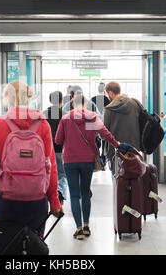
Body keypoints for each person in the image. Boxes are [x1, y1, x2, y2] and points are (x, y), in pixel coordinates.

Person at [0, 80, 63, 236]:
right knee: (34, 244)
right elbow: (51, 165)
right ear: (29, 98)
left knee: (7, 244)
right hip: (37, 198)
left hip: (7, 198)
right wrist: (54, 201)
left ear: (8, 98)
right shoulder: (43, 124)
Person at [55, 90, 130, 240]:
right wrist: (117, 144)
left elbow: (58, 140)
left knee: (74, 195)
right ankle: (87, 226)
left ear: (73, 104)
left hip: (70, 160)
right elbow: (105, 133)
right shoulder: (91, 117)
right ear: (85, 104)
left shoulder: (65, 119)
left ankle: (78, 229)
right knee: (85, 193)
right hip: (87, 160)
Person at [103, 81, 142, 173]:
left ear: (110, 93)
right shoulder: (135, 103)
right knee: (134, 176)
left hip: (115, 150)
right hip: (134, 148)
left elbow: (105, 132)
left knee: (117, 179)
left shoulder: (109, 108)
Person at [43, 91, 68, 205]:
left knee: (49, 173)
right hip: (62, 149)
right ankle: (60, 191)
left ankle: (52, 195)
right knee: (62, 174)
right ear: (61, 100)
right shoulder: (65, 114)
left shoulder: (43, 114)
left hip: (48, 150)